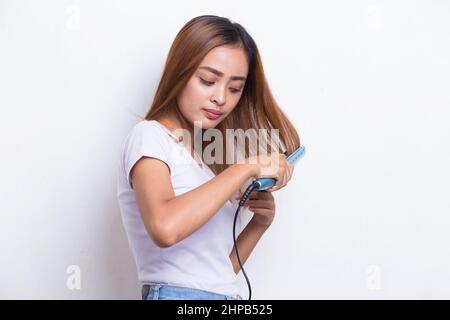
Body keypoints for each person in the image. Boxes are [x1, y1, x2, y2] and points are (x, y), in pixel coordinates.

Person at [117, 15, 300, 300]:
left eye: (235, 88)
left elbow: (216, 274)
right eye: (208, 80)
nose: (221, 98)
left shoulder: (204, 163)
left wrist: (260, 223)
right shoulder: (149, 137)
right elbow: (164, 228)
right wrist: (245, 167)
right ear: (180, 72)